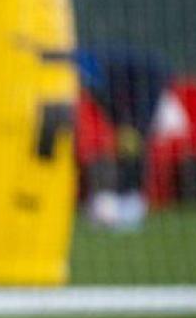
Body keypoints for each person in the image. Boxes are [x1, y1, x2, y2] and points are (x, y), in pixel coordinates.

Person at [75, 45, 189, 231]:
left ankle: (130, 205)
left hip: (144, 92)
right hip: (136, 95)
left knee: (132, 147)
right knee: (130, 144)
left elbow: (128, 114)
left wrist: (128, 128)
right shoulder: (97, 74)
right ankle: (123, 204)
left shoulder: (145, 87)